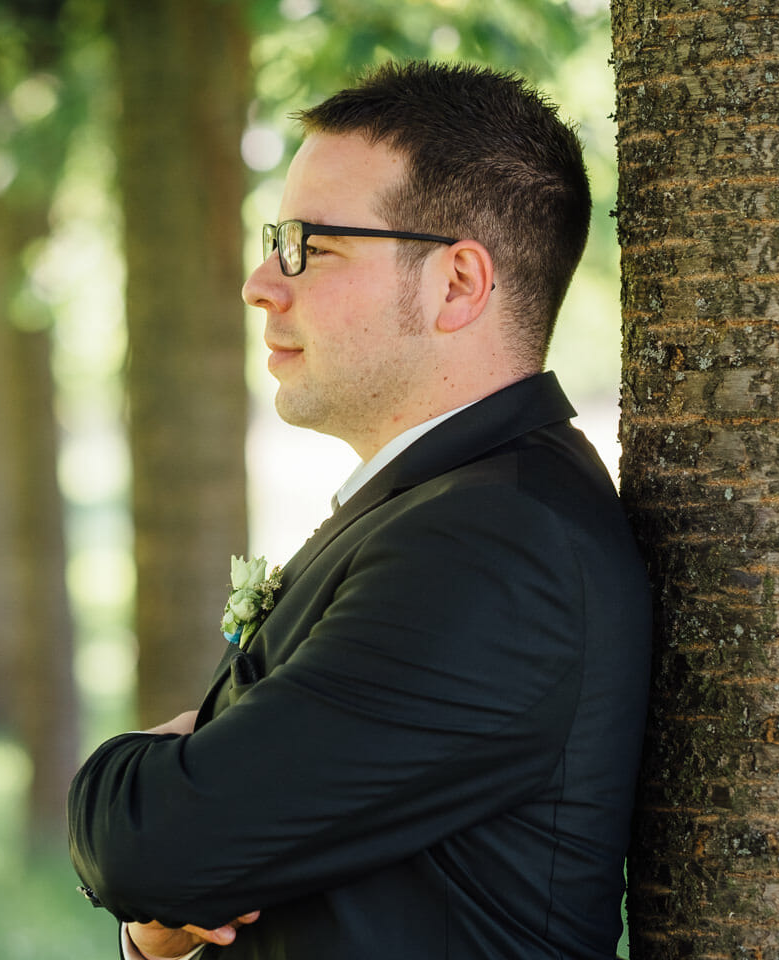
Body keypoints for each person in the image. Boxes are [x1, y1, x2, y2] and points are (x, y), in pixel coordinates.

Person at [68, 60, 651, 959]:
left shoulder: (497, 547)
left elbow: (154, 843)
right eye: (275, 241)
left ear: (457, 284)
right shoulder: (439, 506)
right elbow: (201, 869)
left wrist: (121, 781)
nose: (263, 282)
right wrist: (162, 918)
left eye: (312, 245)